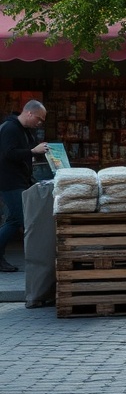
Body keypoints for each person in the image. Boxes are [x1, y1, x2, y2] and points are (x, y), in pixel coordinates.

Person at [0, 100, 49, 272]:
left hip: (20, 180)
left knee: (14, 220)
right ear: (29, 113)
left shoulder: (25, 131)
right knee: (27, 221)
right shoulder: (10, 128)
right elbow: (9, 153)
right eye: (39, 118)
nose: (40, 122)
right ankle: (43, 262)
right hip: (10, 182)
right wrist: (33, 151)